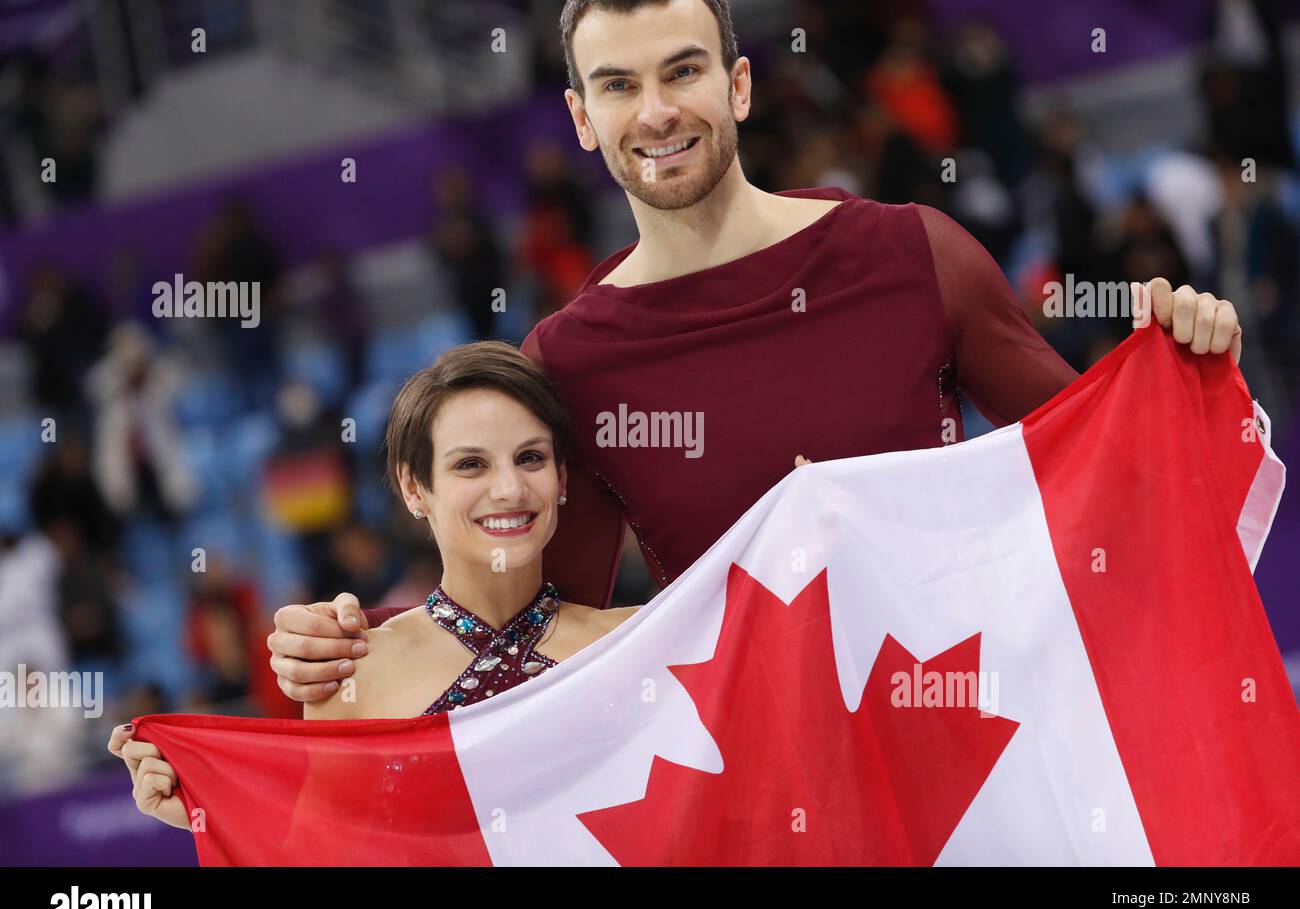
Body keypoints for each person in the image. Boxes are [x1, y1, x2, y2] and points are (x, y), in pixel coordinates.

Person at [267, 0, 1246, 706]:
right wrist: (353, 654)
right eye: (617, 85)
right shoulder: (567, 360)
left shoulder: (912, 252)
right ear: (579, 118)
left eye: (682, 70)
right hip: (773, 807)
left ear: (736, 85)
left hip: (996, 742)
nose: (654, 112)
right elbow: (530, 640)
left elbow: (1113, 474)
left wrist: (1190, 368)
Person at [106, 341, 662, 828]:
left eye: (531, 458)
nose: (510, 488)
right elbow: (323, 850)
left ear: (561, 478)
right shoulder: (351, 674)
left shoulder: (640, 640)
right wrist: (206, 812)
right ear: (414, 488)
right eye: (471, 465)